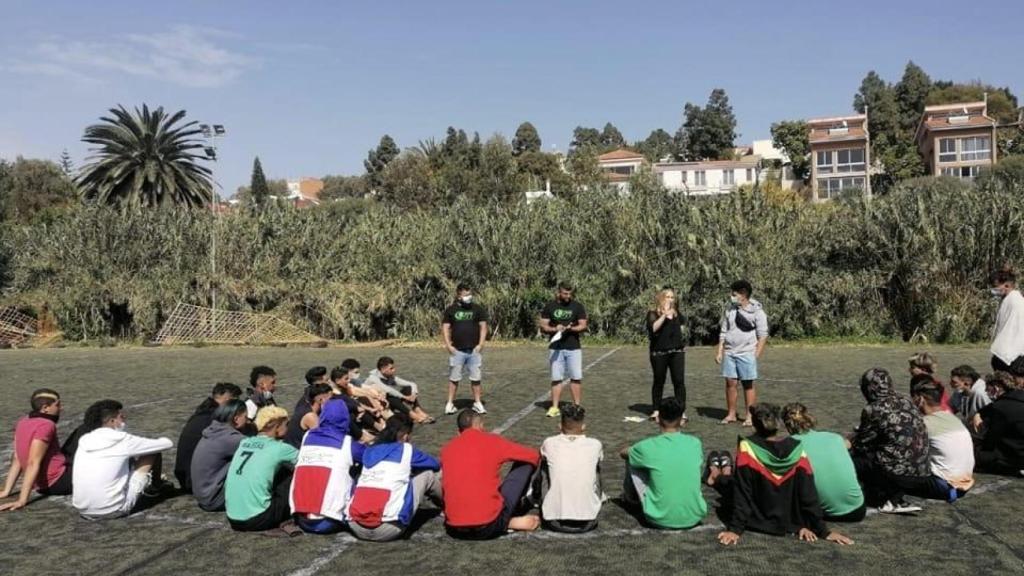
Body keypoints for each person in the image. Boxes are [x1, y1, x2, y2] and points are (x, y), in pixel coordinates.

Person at [711, 403, 853, 547]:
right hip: (787, 521)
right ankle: (722, 471)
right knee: (729, 483)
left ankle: (716, 472)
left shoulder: (747, 448)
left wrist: (735, 529)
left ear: (754, 424)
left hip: (758, 520)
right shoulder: (796, 448)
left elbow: (743, 492)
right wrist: (822, 530)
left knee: (727, 485)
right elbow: (808, 493)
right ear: (778, 425)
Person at [441, 410, 540, 539]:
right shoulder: (492, 441)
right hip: (488, 524)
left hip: (453, 527)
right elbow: (532, 456)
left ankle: (505, 521)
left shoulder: (447, 449)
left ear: (458, 432)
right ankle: (509, 520)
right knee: (525, 463)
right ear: (481, 426)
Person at [72, 400, 174, 519]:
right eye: (121, 416)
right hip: (113, 510)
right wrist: (160, 439)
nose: (124, 418)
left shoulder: (85, 439)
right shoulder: (123, 440)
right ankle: (156, 487)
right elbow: (167, 444)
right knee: (151, 453)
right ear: (112, 421)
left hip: (82, 510)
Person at [348, 414, 443, 541]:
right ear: (404, 435)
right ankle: (447, 505)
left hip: (355, 525)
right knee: (428, 475)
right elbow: (435, 464)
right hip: (388, 528)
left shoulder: (369, 449)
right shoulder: (406, 450)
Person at [849, 368, 931, 514]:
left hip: (897, 473)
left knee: (855, 459)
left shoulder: (873, 408)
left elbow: (862, 444)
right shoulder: (906, 401)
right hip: (922, 472)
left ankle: (868, 495)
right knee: (894, 452)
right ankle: (893, 497)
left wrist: (851, 439)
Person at [620, 398, 705, 530]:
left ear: (658, 419)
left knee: (632, 459)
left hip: (659, 518)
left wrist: (633, 449)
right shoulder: (695, 443)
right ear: (682, 420)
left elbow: (623, 453)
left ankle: (631, 499)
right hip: (694, 516)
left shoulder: (647, 446)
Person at [290, 399, 365, 534]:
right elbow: (369, 457)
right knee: (360, 470)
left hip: (301, 518)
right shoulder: (347, 443)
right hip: (328, 520)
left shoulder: (307, 436)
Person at [782, 403, 865, 522]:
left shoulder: (788, 445)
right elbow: (847, 444)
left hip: (824, 513)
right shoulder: (834, 438)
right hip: (857, 510)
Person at [225, 406, 299, 533]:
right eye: (286, 424)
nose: (288, 428)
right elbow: (307, 463)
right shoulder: (280, 448)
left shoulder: (244, 443)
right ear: (277, 426)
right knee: (291, 475)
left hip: (232, 517)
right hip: (258, 518)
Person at [0, 389, 72, 511]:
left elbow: (17, 459)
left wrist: (6, 491)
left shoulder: (23, 421)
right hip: (56, 483)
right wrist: (22, 500)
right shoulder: (46, 425)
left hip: (40, 484)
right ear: (45, 408)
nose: (61, 408)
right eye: (58, 404)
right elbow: (33, 462)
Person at [536, 404, 603, 533]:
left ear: (560, 426)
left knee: (544, 462)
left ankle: (537, 497)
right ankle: (591, 498)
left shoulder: (549, 442)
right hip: (589, 519)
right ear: (583, 427)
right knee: (595, 465)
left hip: (553, 519)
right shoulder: (595, 444)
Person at [910, 377, 975, 501]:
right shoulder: (953, 419)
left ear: (921, 399)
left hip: (945, 484)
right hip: (965, 481)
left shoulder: (924, 423)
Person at [715, 279, 768, 427]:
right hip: (730, 353)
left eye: (734, 294)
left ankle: (750, 416)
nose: (732, 296)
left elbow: (763, 335)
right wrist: (720, 351)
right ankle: (731, 414)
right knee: (730, 382)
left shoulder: (758, 312)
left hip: (747, 354)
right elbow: (723, 331)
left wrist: (755, 355)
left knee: (748, 384)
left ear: (743, 294)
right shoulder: (730, 309)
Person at [174, 382, 242, 492]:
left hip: (184, 475)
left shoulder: (202, 412)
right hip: (198, 482)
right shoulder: (215, 419)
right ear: (227, 400)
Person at [539, 282, 589, 418]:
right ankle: (554, 407)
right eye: (565, 293)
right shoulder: (550, 306)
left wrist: (571, 328)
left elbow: (583, 325)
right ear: (559, 292)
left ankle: (577, 406)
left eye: (570, 293)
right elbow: (543, 325)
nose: (568, 296)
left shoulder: (577, 306)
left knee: (576, 377)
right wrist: (555, 329)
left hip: (573, 347)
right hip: (556, 347)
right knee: (556, 378)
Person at [190, 399, 249, 511]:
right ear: (236, 419)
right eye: (246, 418)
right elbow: (260, 448)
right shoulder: (229, 438)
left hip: (203, 495)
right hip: (213, 499)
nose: (248, 421)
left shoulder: (214, 431)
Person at [442, 283, 489, 416]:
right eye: (465, 294)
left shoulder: (477, 309)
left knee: (476, 378)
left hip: (473, 350)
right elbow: (445, 328)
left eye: (469, 294)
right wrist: (448, 345)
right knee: (454, 378)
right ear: (458, 295)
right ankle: (450, 403)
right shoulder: (451, 310)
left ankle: (477, 402)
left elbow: (483, 327)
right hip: (457, 350)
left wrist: (480, 345)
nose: (468, 297)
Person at [975, 363, 1024, 476]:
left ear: (996, 388)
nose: (987, 393)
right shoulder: (1016, 399)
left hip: (1015, 457)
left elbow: (991, 440)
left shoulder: (1000, 407)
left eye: (988, 390)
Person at [646, 287, 686, 422]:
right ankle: (656, 410)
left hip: (676, 352)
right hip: (659, 353)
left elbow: (681, 328)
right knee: (659, 381)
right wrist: (664, 315)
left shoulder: (677, 313)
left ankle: (681, 410)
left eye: (672, 297)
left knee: (679, 381)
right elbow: (654, 328)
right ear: (661, 298)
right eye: (667, 297)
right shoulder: (653, 313)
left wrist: (673, 316)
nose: (670, 299)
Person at [365, 357, 434, 424]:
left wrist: (413, 394)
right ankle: (413, 415)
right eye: (391, 368)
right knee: (390, 395)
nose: (394, 370)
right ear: (383, 370)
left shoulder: (390, 377)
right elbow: (388, 390)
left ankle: (418, 411)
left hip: (387, 402)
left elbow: (411, 384)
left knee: (408, 388)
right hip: (375, 404)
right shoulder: (373, 378)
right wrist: (405, 397)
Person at [990, 267, 1024, 373]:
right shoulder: (1008, 300)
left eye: (996, 286)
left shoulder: (1016, 301)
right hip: (1006, 351)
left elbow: (1014, 328)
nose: (994, 290)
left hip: (1013, 354)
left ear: (1007, 285)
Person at [284, 381, 333, 449]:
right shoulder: (311, 416)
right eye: (330, 399)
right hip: (297, 452)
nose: (333, 402)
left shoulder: (305, 407)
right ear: (320, 400)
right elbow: (322, 440)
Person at [949, 365, 990, 433]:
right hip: (969, 426)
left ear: (967, 383)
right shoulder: (958, 391)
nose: (950, 384)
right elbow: (950, 409)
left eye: (954, 382)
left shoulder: (981, 394)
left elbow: (991, 416)